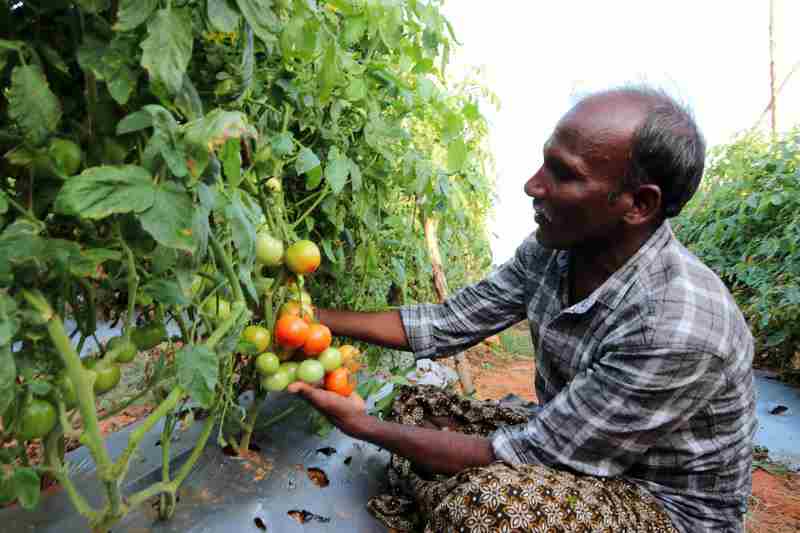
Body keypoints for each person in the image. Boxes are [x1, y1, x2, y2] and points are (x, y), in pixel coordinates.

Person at [287, 86, 756, 533]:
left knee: (487, 509)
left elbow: (535, 454)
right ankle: (439, 493)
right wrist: (312, 319)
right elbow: (448, 324)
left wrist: (363, 427)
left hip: (659, 507)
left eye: (564, 173)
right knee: (416, 408)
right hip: (575, 450)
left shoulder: (678, 326)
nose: (534, 185)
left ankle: (443, 497)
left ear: (638, 204)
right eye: (545, 162)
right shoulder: (553, 251)